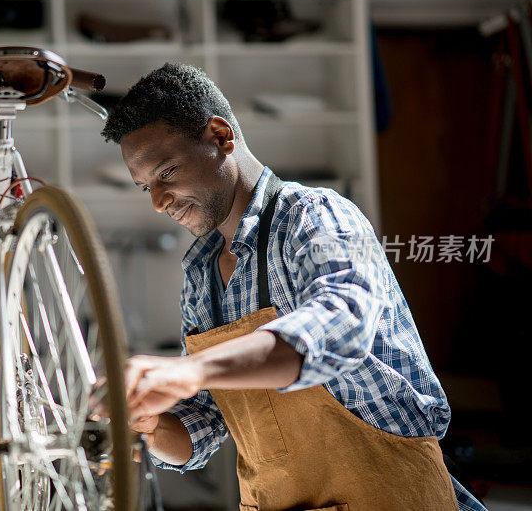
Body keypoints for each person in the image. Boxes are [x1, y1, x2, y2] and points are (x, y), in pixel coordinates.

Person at [100, 63, 486, 511]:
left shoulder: (320, 217)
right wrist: (149, 427)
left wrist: (191, 370)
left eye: (166, 172)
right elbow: (204, 423)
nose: (158, 202)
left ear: (220, 136)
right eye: (145, 187)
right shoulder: (200, 277)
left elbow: (342, 324)